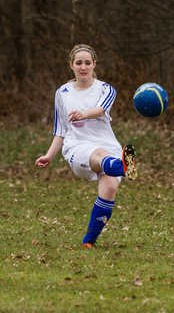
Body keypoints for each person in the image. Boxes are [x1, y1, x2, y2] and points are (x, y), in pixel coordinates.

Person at [35, 44, 137, 248]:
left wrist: (85, 113)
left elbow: (101, 109)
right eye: (78, 63)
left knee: (109, 187)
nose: (83, 67)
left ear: (94, 64)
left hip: (107, 144)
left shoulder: (106, 89)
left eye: (87, 63)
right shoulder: (62, 93)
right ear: (71, 65)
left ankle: (88, 241)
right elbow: (60, 130)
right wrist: (49, 155)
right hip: (77, 146)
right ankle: (123, 166)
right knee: (99, 154)